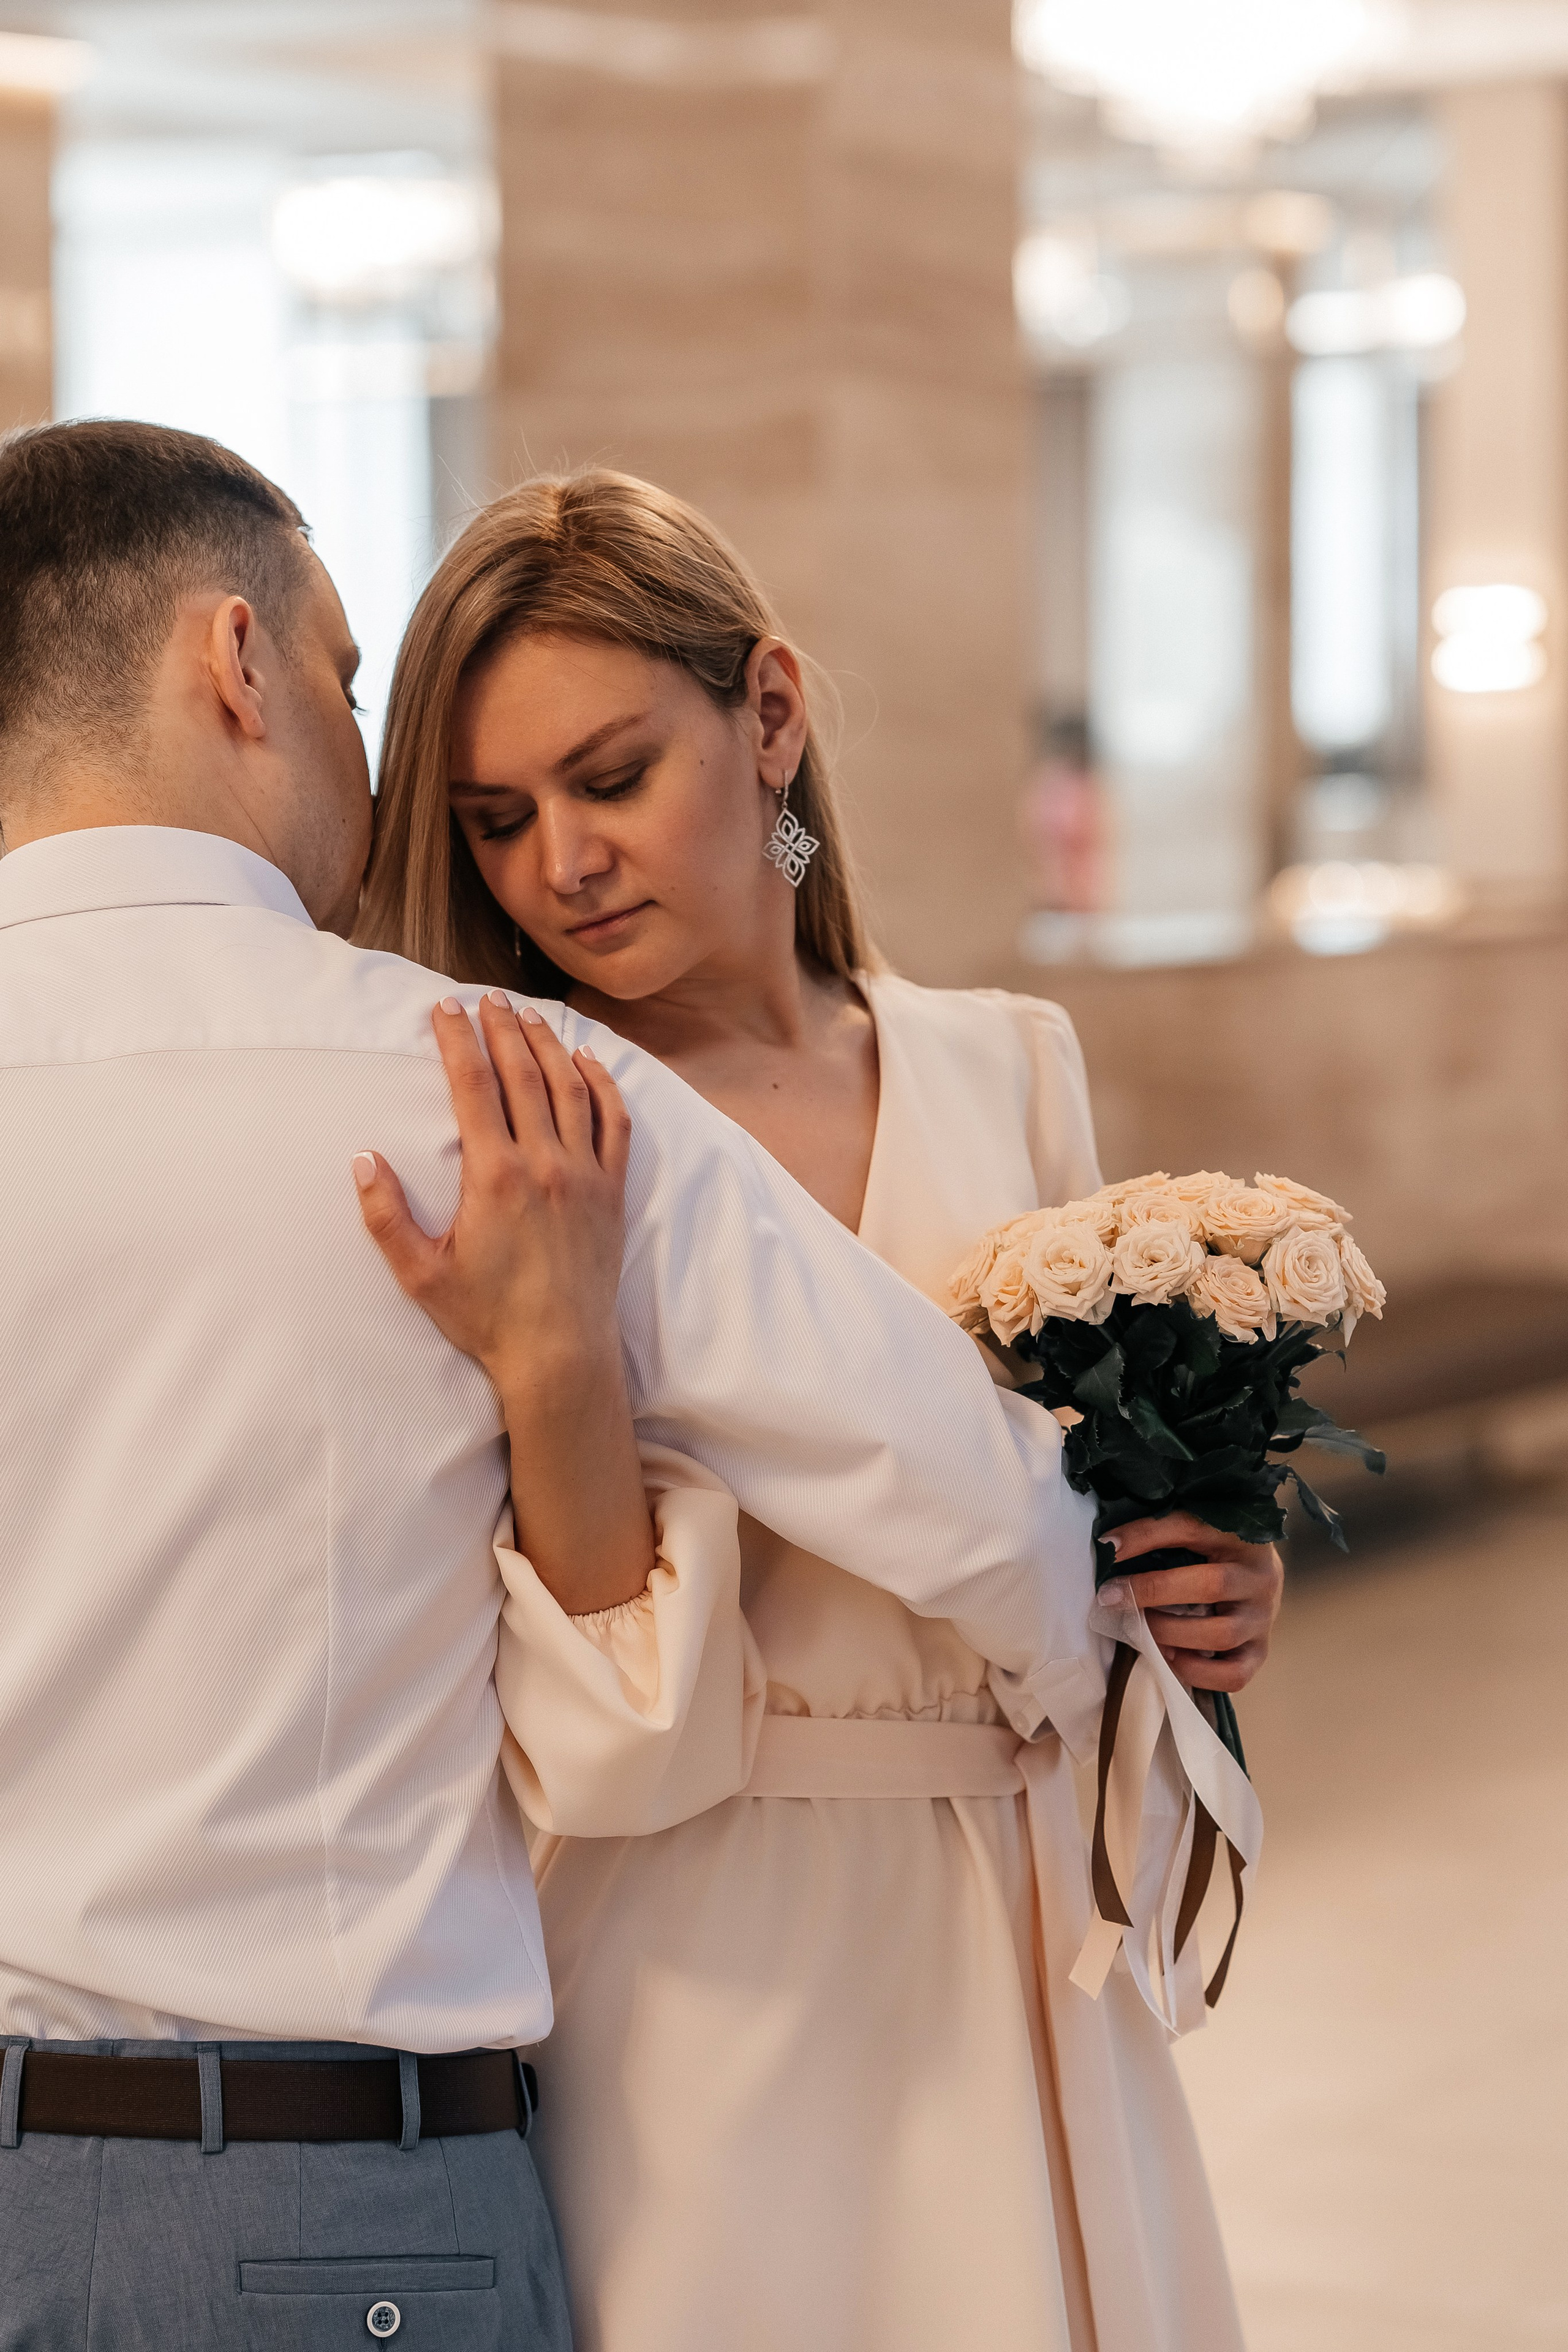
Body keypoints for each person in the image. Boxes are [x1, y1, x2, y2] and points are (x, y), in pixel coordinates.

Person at [0, 423, 1153, 2349]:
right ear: (236, 664)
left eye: (609, 778)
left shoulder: (962, 1059)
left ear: (768, 719)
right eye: (352, 684)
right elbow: (1001, 1512)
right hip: (349, 2179)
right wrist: (1112, 1627)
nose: (381, 779)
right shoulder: (501, 1093)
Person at [354, 466, 1283, 2352]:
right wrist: (556, 1356)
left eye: (611, 779)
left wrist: (1215, 1580)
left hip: (1019, 1916)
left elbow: (1081, 1514)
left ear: (767, 711)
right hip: (696, 1947)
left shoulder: (1008, 1062)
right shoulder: (522, 1125)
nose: (560, 864)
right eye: (496, 821)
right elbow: (564, 1670)